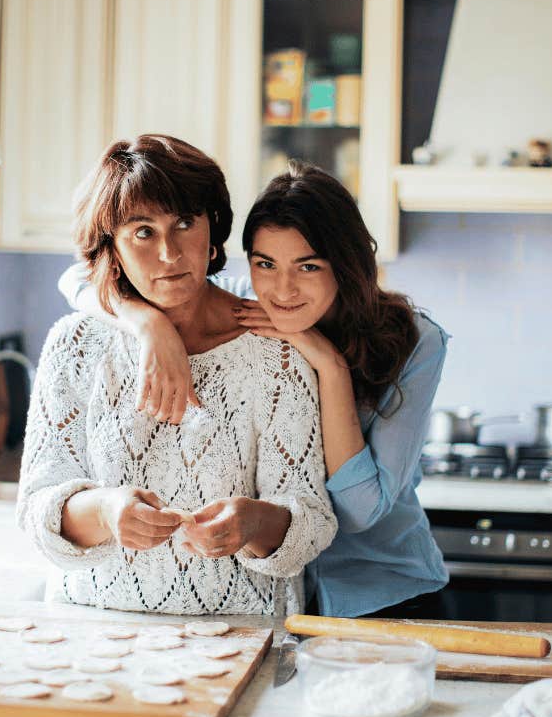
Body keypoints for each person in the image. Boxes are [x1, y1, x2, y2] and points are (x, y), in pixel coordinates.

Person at [61, 162, 449, 620]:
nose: (282, 289)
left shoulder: (414, 339)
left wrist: (328, 364)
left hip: (380, 590)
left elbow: (361, 511)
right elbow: (78, 280)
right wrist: (148, 324)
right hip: (281, 595)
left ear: (346, 265)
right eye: (265, 263)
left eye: (308, 266)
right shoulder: (248, 303)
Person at [18, 136, 337, 616]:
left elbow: (311, 521)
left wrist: (253, 523)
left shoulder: (277, 351)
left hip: (243, 633)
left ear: (212, 233)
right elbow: (36, 511)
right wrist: (105, 510)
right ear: (113, 248)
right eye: (142, 232)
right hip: (91, 634)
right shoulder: (75, 345)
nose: (169, 253)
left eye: (185, 223)